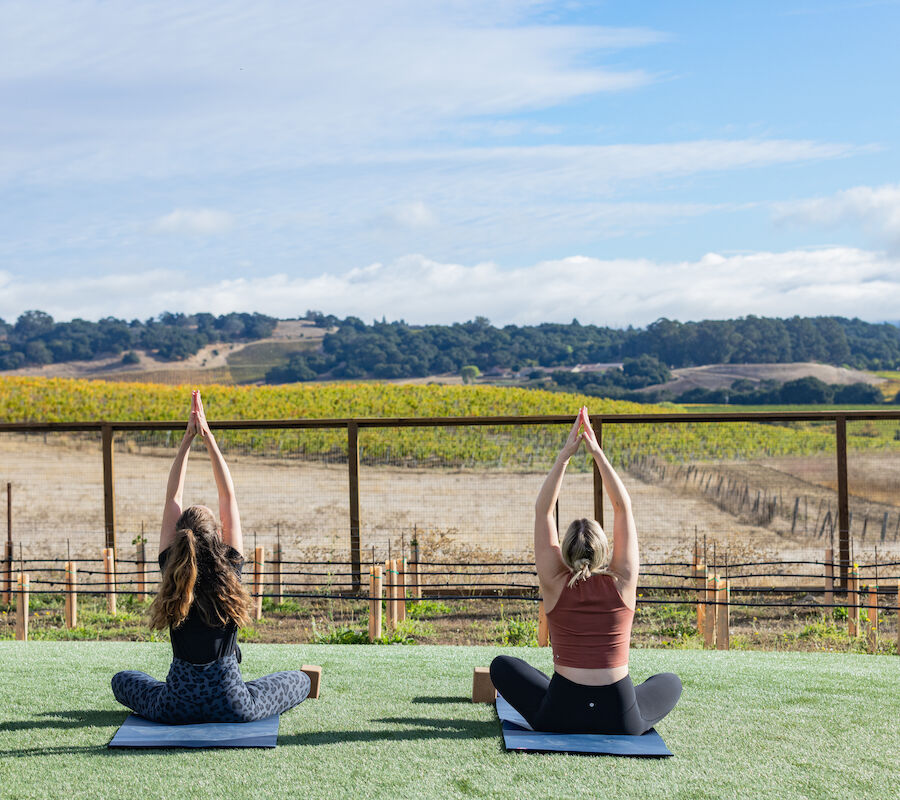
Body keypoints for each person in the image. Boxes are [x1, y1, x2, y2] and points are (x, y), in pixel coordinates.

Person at [111, 390, 310, 723]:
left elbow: (172, 496)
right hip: (233, 704)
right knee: (300, 680)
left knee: (121, 681)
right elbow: (227, 494)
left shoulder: (171, 566)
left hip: (175, 706)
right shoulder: (230, 566)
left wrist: (186, 440)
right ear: (217, 535)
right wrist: (208, 437)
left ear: (178, 537)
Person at [490, 407, 682, 735]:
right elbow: (623, 508)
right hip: (620, 717)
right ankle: (622, 703)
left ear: (565, 551)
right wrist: (596, 452)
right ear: (604, 550)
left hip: (559, 715)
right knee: (669, 681)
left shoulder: (554, 582)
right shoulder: (623, 581)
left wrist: (566, 454)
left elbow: (543, 510)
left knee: (501, 666)